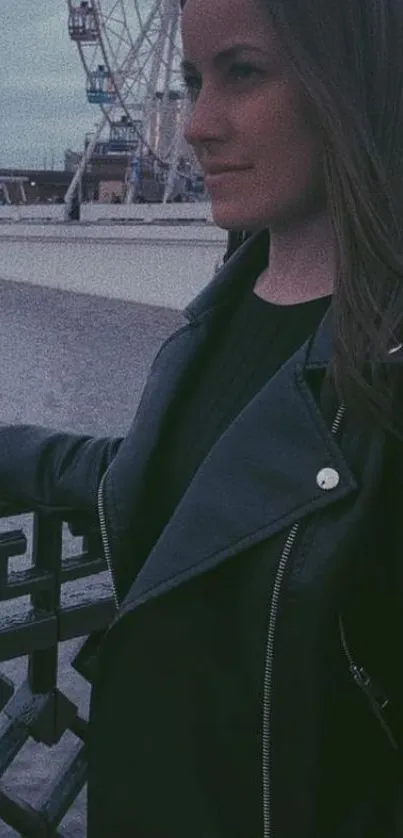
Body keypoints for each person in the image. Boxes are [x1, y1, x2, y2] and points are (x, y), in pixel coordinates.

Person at [1, 0, 403, 834]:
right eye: (189, 81)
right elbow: (181, 480)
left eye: (243, 73)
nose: (196, 126)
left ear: (355, 84)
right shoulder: (211, 319)